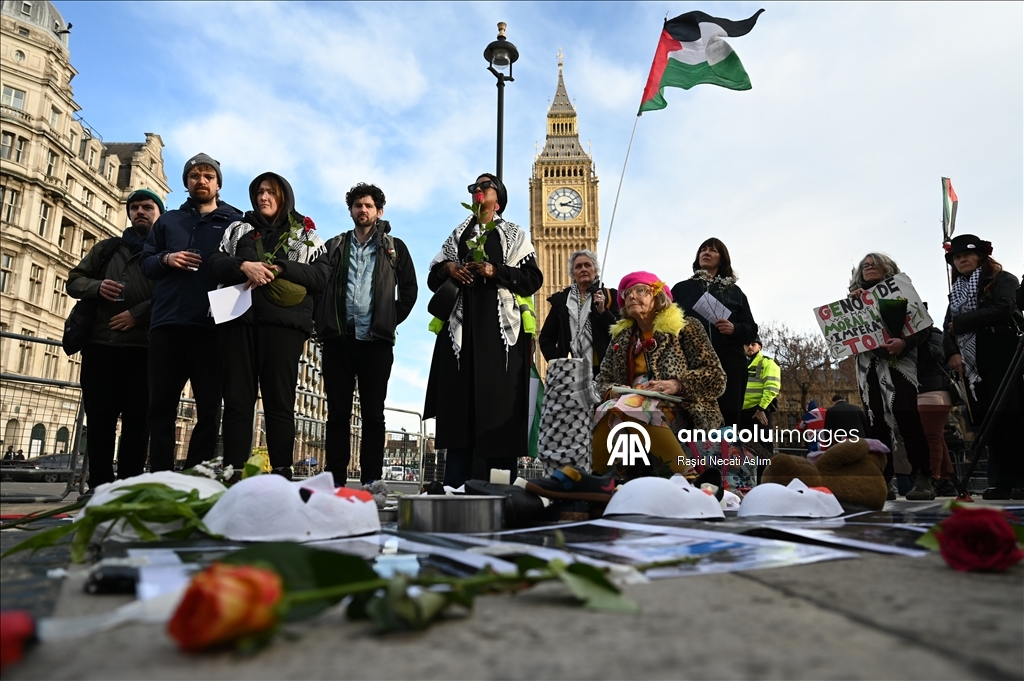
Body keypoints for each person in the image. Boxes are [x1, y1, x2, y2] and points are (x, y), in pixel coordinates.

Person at [423, 174, 542, 487]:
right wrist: (450, 268)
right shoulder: (458, 234)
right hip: (460, 335)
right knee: (459, 410)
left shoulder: (514, 234)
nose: (477, 190)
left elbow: (533, 279)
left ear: (497, 199)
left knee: (499, 411)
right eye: (473, 187)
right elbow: (434, 277)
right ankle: (456, 484)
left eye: (484, 186)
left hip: (500, 339)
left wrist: (495, 270)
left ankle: (501, 488)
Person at [209, 173, 326, 477]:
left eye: (271, 192)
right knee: (236, 400)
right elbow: (213, 264)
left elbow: (320, 276)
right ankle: (233, 471)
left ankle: (282, 471)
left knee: (280, 402)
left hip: (283, 328)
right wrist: (242, 265)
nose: (264, 197)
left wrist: (282, 267)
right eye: (259, 192)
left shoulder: (306, 235)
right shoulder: (238, 230)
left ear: (284, 196)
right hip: (238, 323)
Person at [141, 153, 242, 471]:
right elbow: (146, 262)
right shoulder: (168, 220)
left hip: (211, 328)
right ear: (187, 181)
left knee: (210, 410)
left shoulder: (236, 221)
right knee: (160, 409)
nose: (202, 180)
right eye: (195, 175)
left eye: (208, 176)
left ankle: (197, 474)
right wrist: (167, 259)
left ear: (218, 183)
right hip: (167, 325)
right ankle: (159, 475)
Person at [312, 184, 417, 486]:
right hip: (339, 341)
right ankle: (334, 480)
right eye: (358, 205)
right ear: (351, 211)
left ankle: (372, 480)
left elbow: (409, 289)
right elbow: (318, 285)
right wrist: (323, 322)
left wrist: (390, 319)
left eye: (369, 206)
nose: (363, 210)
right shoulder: (334, 245)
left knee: (373, 414)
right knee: (337, 415)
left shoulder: (394, 247)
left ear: (379, 211)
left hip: (376, 344)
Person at [67, 189, 161, 490]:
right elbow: (74, 281)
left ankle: (127, 489)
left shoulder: (164, 254)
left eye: (147, 207)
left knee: (137, 424)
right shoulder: (106, 249)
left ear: (159, 213)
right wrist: (96, 286)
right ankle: (99, 487)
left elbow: (172, 294)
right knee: (99, 423)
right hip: (100, 348)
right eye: (134, 208)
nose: (140, 212)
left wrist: (138, 314)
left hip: (143, 350)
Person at [593, 271, 726, 476]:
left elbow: (716, 377)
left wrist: (677, 385)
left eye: (641, 290)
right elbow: (602, 380)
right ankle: (598, 479)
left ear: (658, 297)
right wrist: (612, 391)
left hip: (681, 406)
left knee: (632, 406)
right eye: (627, 293)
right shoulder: (620, 338)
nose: (631, 296)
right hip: (627, 404)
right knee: (606, 409)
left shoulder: (685, 327)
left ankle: (687, 476)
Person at [942, 234, 1023, 500]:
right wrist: (952, 352)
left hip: (1004, 356)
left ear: (981, 257)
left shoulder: (1002, 279)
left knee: (1012, 418)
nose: (961, 260)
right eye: (956, 257)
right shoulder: (956, 293)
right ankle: (1003, 479)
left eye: (966, 255)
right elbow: (947, 328)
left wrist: (964, 323)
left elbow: (1004, 307)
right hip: (974, 366)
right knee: (990, 425)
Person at [849, 252, 933, 499]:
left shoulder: (904, 292)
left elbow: (924, 326)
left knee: (908, 421)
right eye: (865, 266)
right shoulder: (854, 300)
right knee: (876, 425)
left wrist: (904, 344)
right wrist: (854, 305)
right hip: (869, 368)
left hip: (900, 365)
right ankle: (883, 481)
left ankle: (922, 478)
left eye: (875, 264)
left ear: (888, 269)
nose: (869, 268)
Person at [671, 238, 758, 430]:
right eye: (703, 250)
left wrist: (734, 329)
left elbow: (751, 328)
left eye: (713, 251)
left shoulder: (735, 292)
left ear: (723, 259)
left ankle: (726, 457)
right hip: (691, 364)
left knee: (727, 424)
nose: (706, 253)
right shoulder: (681, 289)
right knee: (692, 422)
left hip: (730, 364)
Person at [539, 249, 618, 378]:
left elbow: (622, 333)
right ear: (573, 273)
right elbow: (546, 337)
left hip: (607, 372)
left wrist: (603, 312)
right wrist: (558, 362)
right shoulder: (562, 302)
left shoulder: (611, 296)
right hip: (573, 374)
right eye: (578, 266)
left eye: (587, 265)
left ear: (595, 270)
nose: (583, 269)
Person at [916, 325, 959, 496]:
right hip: (922, 390)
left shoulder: (933, 333)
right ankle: (947, 481)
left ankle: (930, 478)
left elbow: (936, 354)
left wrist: (916, 341)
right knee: (937, 437)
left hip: (934, 390)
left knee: (931, 436)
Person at [739, 338, 780, 455]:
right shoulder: (742, 364)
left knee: (763, 448)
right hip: (743, 412)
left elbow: (772, 387)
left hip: (759, 411)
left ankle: (766, 473)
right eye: (747, 344)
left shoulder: (767, 363)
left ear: (759, 347)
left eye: (754, 344)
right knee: (745, 449)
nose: (750, 347)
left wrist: (761, 408)